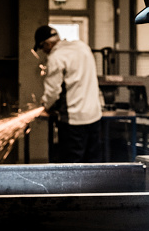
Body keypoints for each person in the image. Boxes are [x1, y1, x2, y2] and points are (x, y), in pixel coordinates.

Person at [33, 25, 103, 163]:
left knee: (72, 165)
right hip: (94, 116)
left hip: (74, 121)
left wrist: (45, 105)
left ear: (47, 43)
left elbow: (53, 91)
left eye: (42, 48)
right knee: (92, 164)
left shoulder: (56, 57)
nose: (43, 52)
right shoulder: (82, 47)